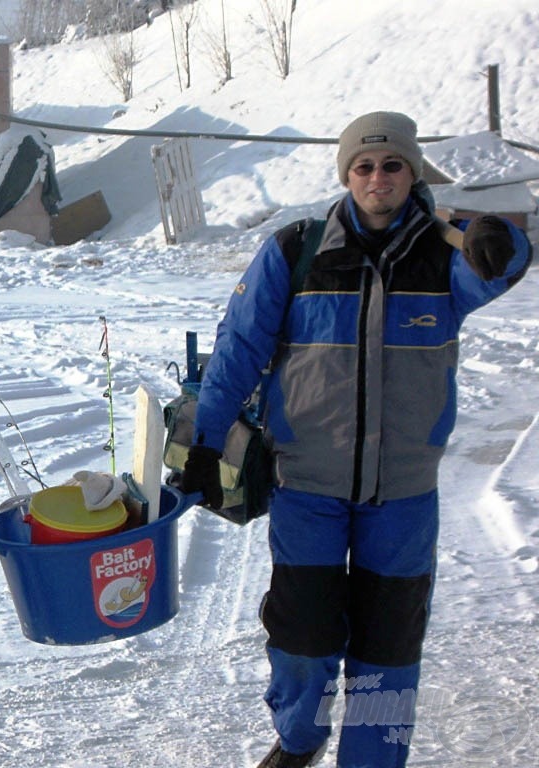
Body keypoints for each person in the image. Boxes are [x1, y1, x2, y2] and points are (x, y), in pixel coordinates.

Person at [180, 111, 533, 768]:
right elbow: (237, 350)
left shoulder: (443, 255)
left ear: (412, 173)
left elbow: (503, 264)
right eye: (364, 166)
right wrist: (204, 444)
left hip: (402, 496)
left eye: (393, 164)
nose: (378, 177)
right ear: (346, 174)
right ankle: (299, 740)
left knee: (387, 655)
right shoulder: (297, 250)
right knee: (303, 642)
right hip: (306, 486)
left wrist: (490, 234)